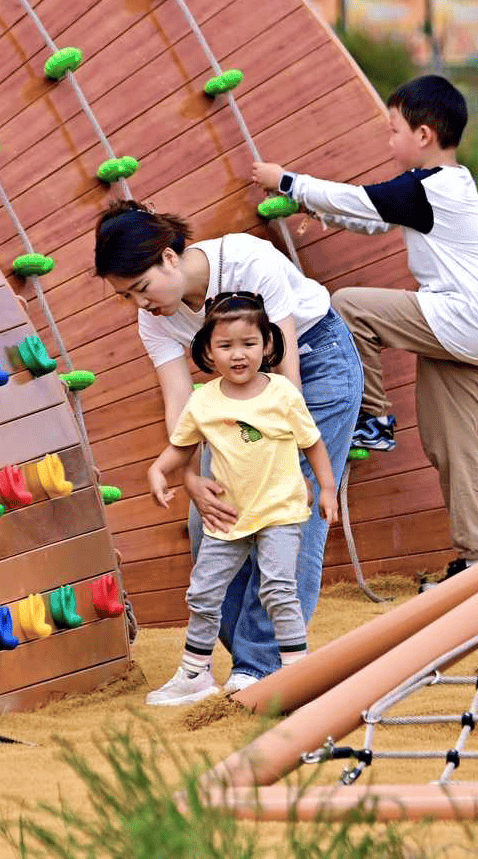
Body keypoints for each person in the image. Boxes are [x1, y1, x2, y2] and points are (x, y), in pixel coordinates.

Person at [251, 75, 478, 587]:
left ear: (424, 135)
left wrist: (287, 182)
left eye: (393, 131)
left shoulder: (428, 186)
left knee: (347, 306)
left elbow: (362, 201)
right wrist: (312, 206)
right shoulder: (448, 185)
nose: (387, 142)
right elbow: (371, 218)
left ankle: (373, 418)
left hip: (459, 317)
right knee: (450, 445)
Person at [93, 201, 359, 691]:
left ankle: (263, 669)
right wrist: (192, 477)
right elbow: (182, 406)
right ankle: (249, 665)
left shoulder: (247, 260)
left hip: (312, 368)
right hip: (236, 396)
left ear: (169, 259)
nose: (140, 304)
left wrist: (294, 465)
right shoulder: (155, 320)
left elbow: (287, 377)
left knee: (286, 518)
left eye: (142, 288)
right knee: (212, 520)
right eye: (126, 295)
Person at [144, 293, 337, 706]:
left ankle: (296, 670)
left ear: (267, 345)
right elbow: (182, 446)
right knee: (203, 592)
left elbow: (314, 443)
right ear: (208, 351)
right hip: (228, 517)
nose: (238, 355)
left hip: (279, 513)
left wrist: (328, 488)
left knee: (279, 589)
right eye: (225, 345)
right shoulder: (204, 400)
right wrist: (158, 470)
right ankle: (194, 673)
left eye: (249, 344)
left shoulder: (282, 393)